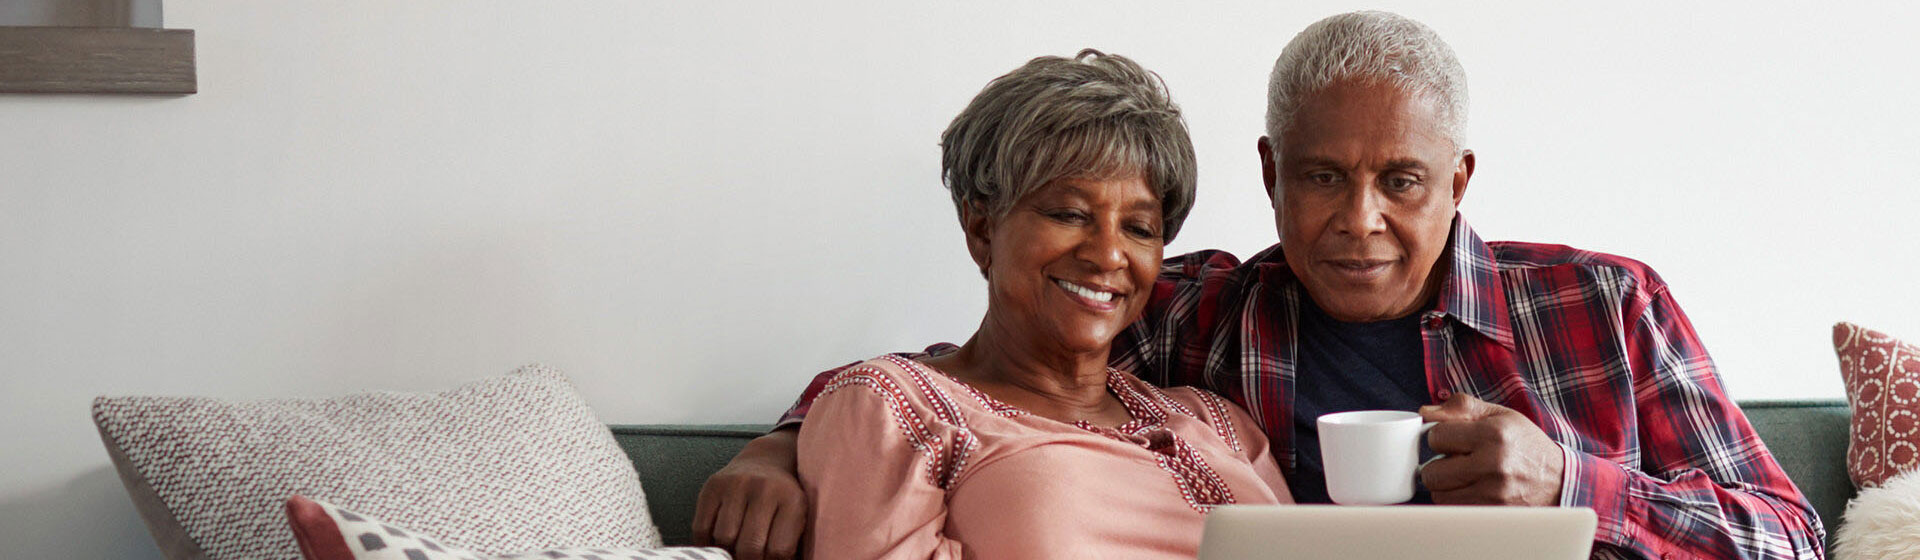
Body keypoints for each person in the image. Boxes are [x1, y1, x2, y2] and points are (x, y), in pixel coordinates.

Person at [696, 12, 1825, 560]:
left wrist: (1576, 481)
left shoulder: (1602, 306)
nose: (1359, 221)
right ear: (1272, 173)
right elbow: (975, 375)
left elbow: (1791, 535)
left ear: (1459, 180)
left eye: (1402, 181)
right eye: (1323, 177)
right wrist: (775, 443)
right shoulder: (1193, 315)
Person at [789, 50, 1292, 559]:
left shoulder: (1217, 423)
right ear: (982, 229)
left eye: (1139, 228)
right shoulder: (895, 407)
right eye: (1070, 214)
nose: (1107, 254)